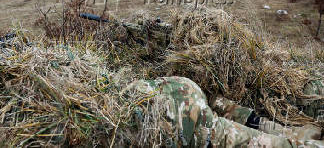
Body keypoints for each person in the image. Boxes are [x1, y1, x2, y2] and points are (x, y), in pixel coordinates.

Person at [123, 76, 324, 147]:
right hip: (174, 94)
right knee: (226, 121)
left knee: (242, 138)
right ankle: (290, 135)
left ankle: (294, 138)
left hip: (179, 114)